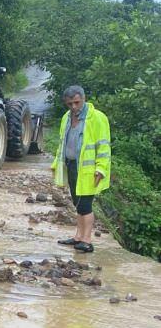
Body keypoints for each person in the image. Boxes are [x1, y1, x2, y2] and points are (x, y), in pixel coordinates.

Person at [52, 85, 111, 253]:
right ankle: (78, 236)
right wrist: (56, 163)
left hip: (89, 171)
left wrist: (101, 169)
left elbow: (104, 147)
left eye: (76, 103)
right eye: (69, 104)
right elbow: (62, 142)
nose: (73, 107)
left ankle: (87, 240)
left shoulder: (97, 118)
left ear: (84, 99)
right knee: (77, 204)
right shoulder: (66, 117)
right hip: (71, 165)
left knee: (85, 205)